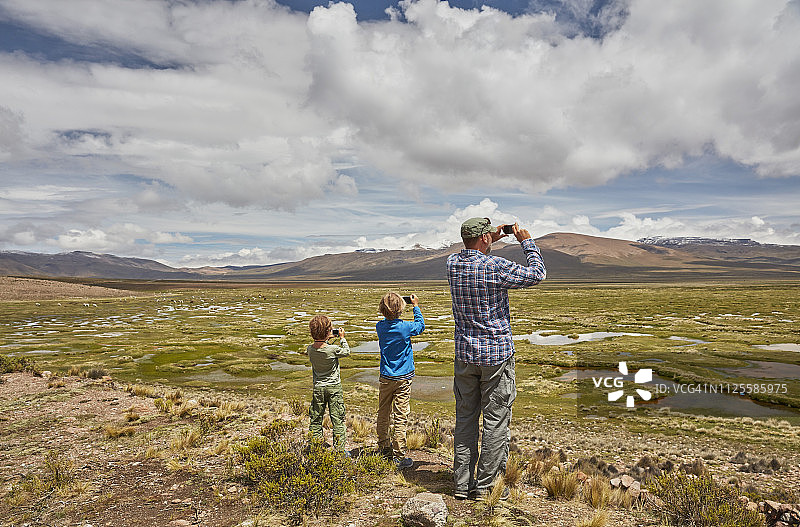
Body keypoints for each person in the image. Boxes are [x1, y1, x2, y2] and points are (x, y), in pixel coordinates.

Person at [447, 217, 546, 500]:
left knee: (465, 419)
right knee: (495, 420)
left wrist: (494, 236)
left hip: (465, 355)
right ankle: (487, 487)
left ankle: (462, 485)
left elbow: (475, 248)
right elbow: (537, 274)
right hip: (495, 356)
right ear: (485, 239)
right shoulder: (496, 267)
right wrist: (525, 241)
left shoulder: (452, 264)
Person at [375, 292, 425, 469]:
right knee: (400, 416)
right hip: (403, 378)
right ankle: (399, 455)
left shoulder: (379, 327)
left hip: (386, 376)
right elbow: (420, 326)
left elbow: (388, 321)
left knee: (383, 411)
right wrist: (416, 306)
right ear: (401, 309)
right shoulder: (405, 327)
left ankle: (383, 447)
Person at [307, 314, 350, 453]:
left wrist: (326, 338)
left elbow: (322, 348)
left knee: (315, 419)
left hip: (318, 388)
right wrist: (342, 339)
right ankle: (340, 451)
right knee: (337, 419)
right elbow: (346, 352)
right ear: (328, 332)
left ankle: (315, 448)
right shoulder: (332, 349)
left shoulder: (310, 349)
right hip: (334, 388)